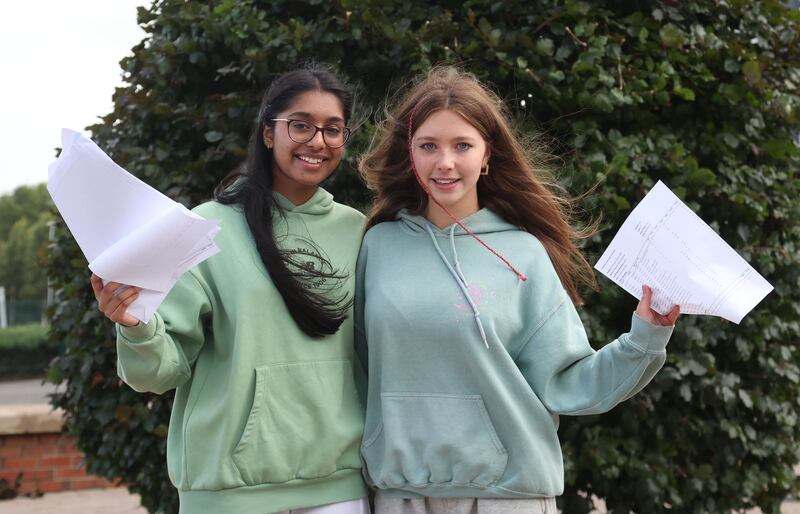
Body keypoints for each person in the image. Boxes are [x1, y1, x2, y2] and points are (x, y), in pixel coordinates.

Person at [355, 66, 680, 514]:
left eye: (462, 145)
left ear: (487, 156)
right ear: (409, 154)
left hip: (508, 497)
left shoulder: (523, 254)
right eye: (428, 145)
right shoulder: (377, 246)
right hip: (401, 494)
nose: (444, 162)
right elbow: (353, 370)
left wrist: (645, 337)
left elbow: (568, 382)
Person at [91, 64, 369, 514]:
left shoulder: (358, 231)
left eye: (332, 130)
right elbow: (158, 372)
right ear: (267, 133)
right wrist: (134, 326)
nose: (317, 141)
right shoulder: (207, 229)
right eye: (300, 125)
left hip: (337, 489)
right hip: (229, 494)